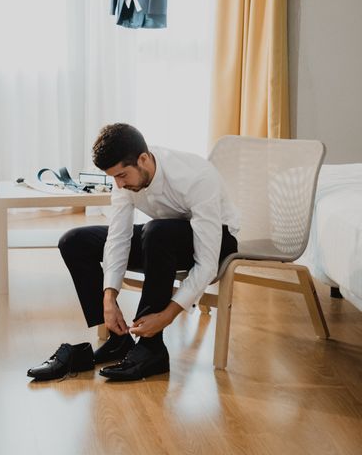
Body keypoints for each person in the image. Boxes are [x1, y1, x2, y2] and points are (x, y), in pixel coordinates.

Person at [27, 123, 240, 381]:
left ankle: (152, 349)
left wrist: (165, 317)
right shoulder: (124, 182)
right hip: (160, 238)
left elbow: (206, 264)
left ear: (143, 159)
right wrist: (109, 298)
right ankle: (118, 340)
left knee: (157, 232)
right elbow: (118, 237)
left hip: (217, 240)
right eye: (113, 177)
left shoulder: (196, 177)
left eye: (122, 176)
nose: (118, 183)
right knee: (74, 241)